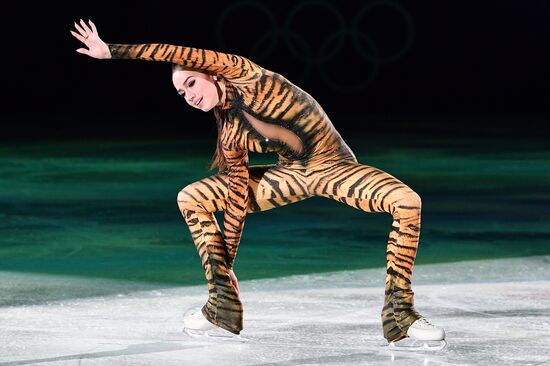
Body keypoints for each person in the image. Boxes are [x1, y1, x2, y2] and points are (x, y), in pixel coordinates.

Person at [71, 19, 446, 349]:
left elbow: (177, 50)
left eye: (191, 83)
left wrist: (112, 52)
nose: (189, 95)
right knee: (191, 196)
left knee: (406, 201)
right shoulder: (231, 135)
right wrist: (227, 265)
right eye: (181, 94)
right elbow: (236, 200)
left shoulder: (244, 74)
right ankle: (221, 304)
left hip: (332, 166)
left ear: (210, 72)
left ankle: (401, 314)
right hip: (291, 175)